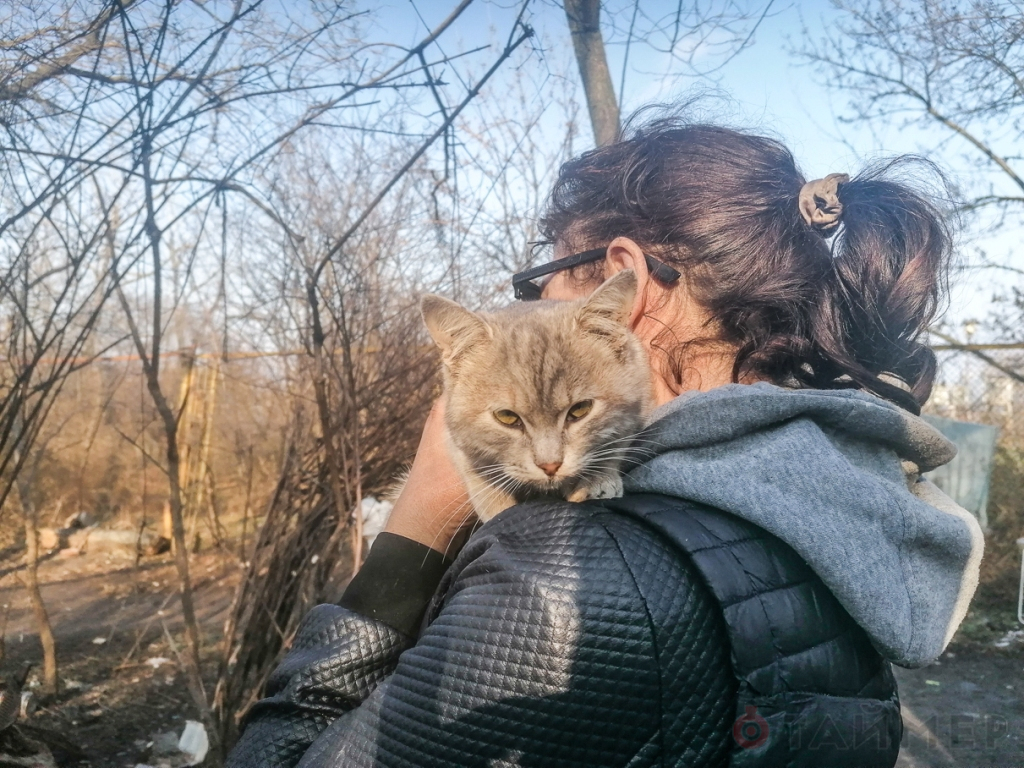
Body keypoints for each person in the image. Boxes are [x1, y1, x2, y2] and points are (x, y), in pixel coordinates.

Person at [227, 116, 983, 768]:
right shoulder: (844, 497)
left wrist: (415, 531)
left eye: (543, 279)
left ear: (622, 284)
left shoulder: (570, 579)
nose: (531, 307)